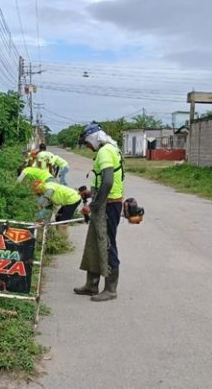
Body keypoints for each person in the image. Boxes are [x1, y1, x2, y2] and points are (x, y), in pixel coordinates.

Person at [74, 123, 124, 302]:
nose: (87, 146)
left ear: (94, 138)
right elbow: (105, 180)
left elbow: (108, 182)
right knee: (94, 244)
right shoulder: (110, 149)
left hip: (107, 206)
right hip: (105, 202)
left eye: (87, 142)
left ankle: (110, 289)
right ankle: (91, 285)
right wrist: (90, 192)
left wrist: (93, 205)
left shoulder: (104, 152)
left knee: (107, 245)